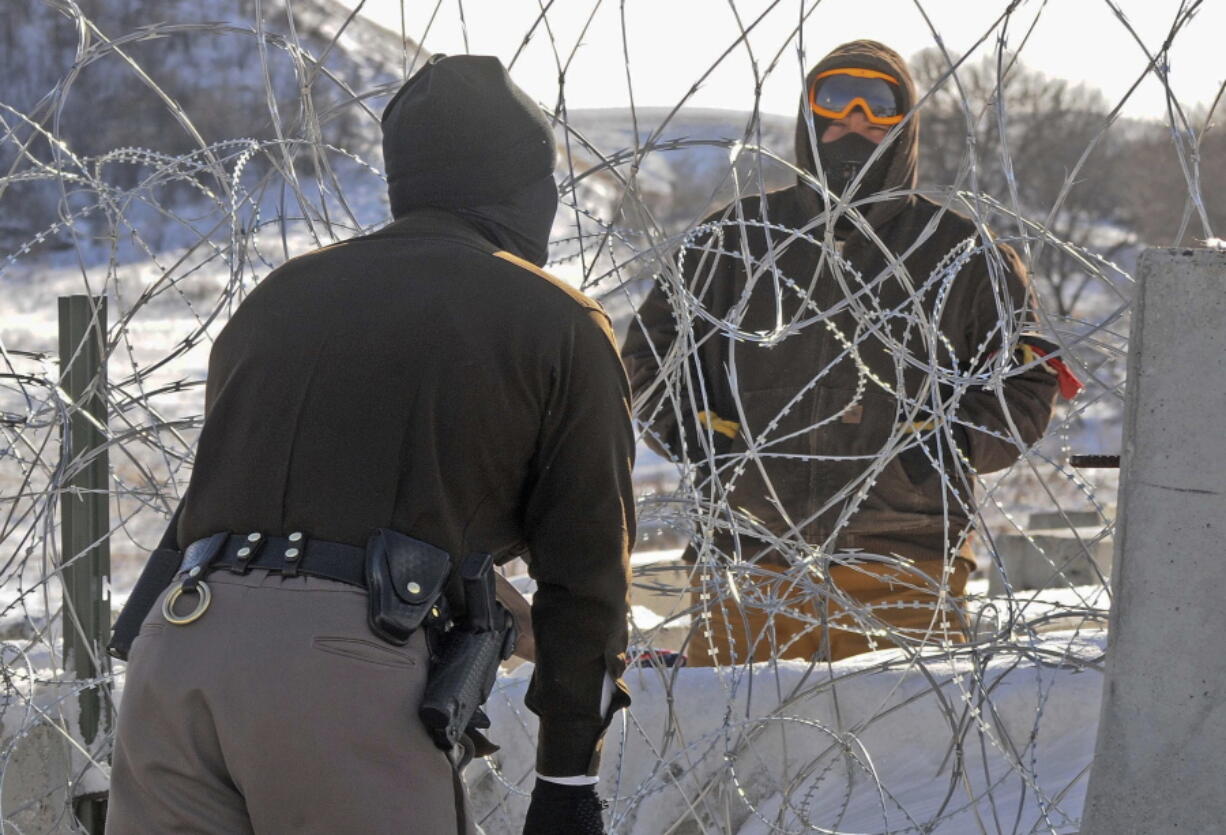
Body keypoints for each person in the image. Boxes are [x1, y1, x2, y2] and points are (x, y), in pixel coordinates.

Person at [107, 55, 634, 834]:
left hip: (178, 652)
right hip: (339, 676)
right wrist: (565, 777)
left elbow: (231, 496)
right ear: (528, 184)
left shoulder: (281, 296)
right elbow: (585, 573)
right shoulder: (554, 319)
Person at [622, 40, 1079, 665]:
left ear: (906, 121)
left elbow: (1026, 384)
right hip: (748, 563)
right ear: (808, 114)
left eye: (878, 104)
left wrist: (947, 445)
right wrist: (694, 431)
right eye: (835, 99)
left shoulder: (964, 254)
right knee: (736, 753)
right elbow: (647, 358)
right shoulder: (731, 241)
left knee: (900, 752)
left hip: (905, 564)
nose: (854, 119)